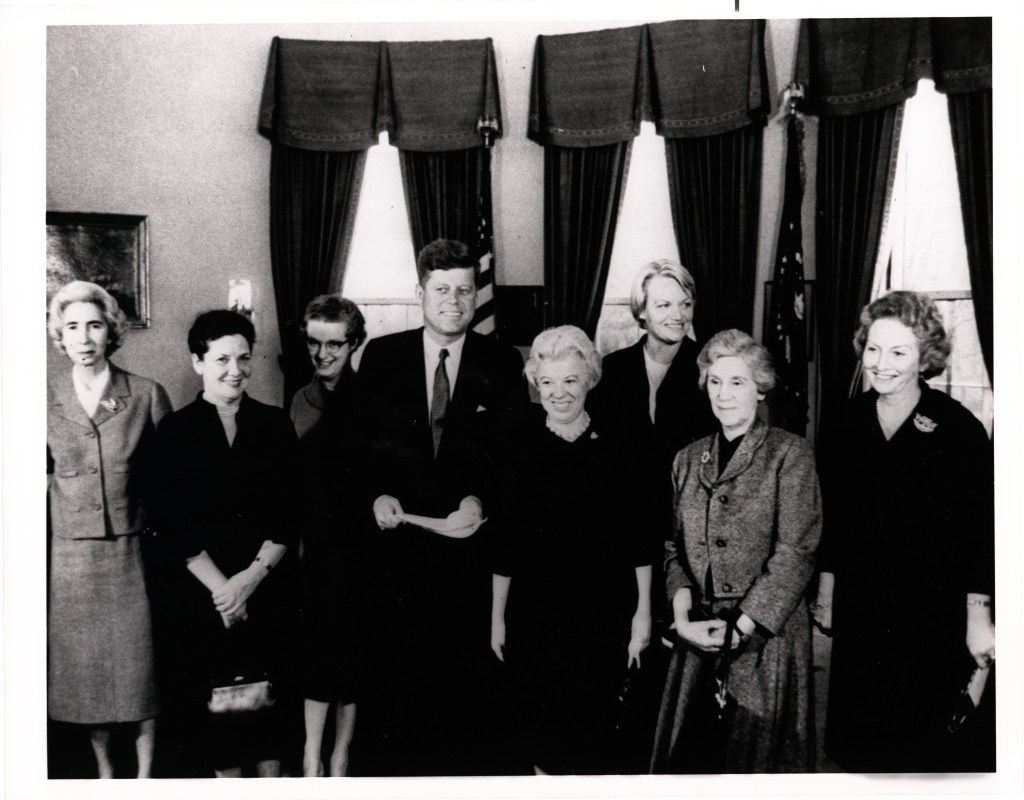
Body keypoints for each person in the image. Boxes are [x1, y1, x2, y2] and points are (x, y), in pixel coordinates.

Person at [351, 238, 528, 776]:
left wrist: (480, 499)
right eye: (442, 289)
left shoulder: (500, 361)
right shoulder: (382, 356)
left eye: (464, 290)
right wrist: (376, 494)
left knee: (463, 698)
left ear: (477, 296)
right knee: (399, 697)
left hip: (467, 562)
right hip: (397, 558)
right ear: (420, 293)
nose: (454, 300)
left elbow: (513, 457)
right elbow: (356, 450)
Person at [816, 291, 995, 772]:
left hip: (931, 615)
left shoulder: (960, 430)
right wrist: (828, 588)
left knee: (925, 750)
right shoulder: (844, 422)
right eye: (873, 349)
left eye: (898, 352)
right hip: (862, 612)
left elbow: (980, 534)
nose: (881, 364)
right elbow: (833, 518)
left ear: (924, 357)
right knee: (862, 750)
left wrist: (978, 616)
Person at [650, 329, 821, 773]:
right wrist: (684, 617)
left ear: (760, 389)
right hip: (698, 636)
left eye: (738, 382)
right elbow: (673, 547)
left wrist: (741, 630)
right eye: (715, 381)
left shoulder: (790, 454)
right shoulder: (687, 460)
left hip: (764, 639)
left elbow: (795, 555)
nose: (724, 394)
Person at [490, 325, 652, 774]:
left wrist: (642, 615)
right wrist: (496, 618)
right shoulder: (517, 445)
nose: (559, 393)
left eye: (570, 380)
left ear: (589, 380)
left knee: (592, 736)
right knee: (539, 739)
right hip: (534, 616)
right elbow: (505, 540)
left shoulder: (618, 445)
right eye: (547, 382)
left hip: (603, 615)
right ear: (535, 385)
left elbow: (638, 535)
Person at [153, 310, 301, 778]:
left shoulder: (275, 424)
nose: (234, 370)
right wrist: (226, 593)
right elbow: (172, 525)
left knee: (269, 717)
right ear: (198, 362)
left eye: (243, 358)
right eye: (221, 359)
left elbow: (288, 514)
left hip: (267, 592)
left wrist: (250, 581)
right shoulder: (175, 432)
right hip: (205, 600)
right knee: (221, 724)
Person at [586, 258, 716, 769]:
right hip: (621, 536)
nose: (677, 313)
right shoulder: (612, 370)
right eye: (664, 304)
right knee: (621, 655)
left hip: (684, 539)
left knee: (676, 667)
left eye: (684, 303)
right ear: (641, 312)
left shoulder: (709, 371)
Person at [47, 280, 172, 778]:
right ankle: (105, 773)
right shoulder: (40, 397)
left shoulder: (144, 394)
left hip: (131, 550)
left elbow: (171, 482)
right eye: (72, 327)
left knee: (140, 667)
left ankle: (143, 775)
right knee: (86, 675)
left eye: (94, 325)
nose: (83, 337)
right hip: (71, 556)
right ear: (60, 335)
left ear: (110, 333)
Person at [289, 295, 367, 777]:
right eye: (314, 344)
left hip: (363, 550)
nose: (323, 355)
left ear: (354, 343)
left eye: (334, 344)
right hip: (314, 551)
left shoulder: (375, 397)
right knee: (317, 656)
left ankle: (340, 757)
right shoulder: (299, 400)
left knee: (355, 659)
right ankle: (310, 756)